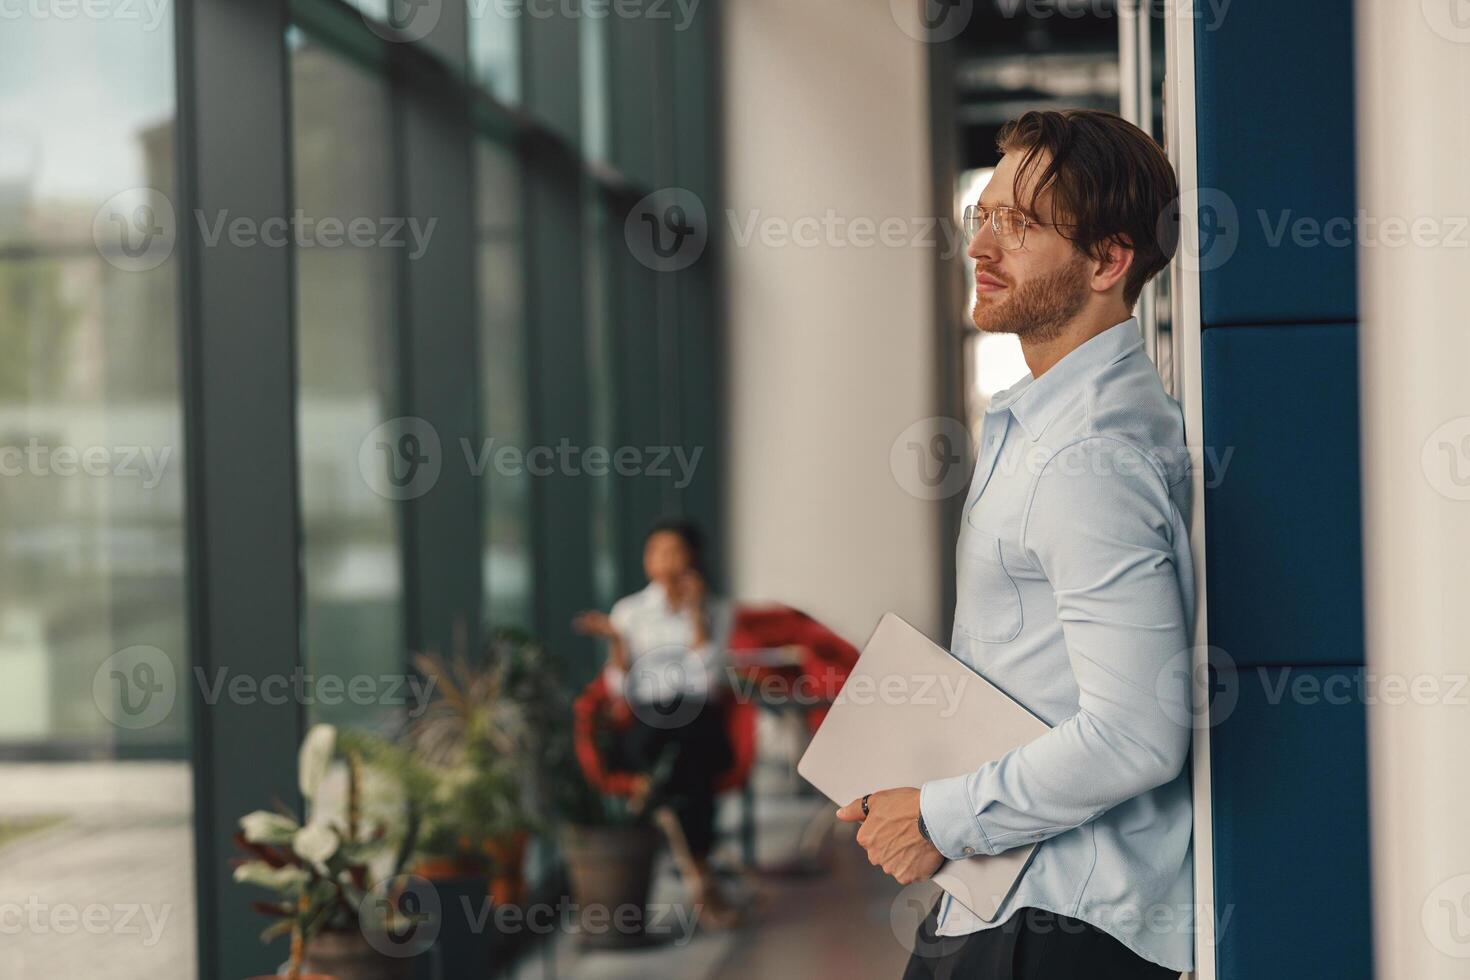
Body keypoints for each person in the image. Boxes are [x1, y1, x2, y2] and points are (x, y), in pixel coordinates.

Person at [836, 109, 1194, 979]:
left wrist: (939, 816)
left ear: (1109, 261)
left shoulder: (1086, 458)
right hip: (1011, 897)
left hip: (1056, 921)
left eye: (1022, 225)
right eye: (983, 216)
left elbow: (1139, 732)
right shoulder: (1049, 422)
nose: (983, 246)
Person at [572, 518, 740, 925]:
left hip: (695, 719)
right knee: (688, 766)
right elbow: (618, 687)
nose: (663, 560)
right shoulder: (629, 612)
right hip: (651, 723)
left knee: (687, 748)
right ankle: (701, 876)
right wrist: (615, 642)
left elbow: (708, 679)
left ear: (692, 558)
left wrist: (697, 615)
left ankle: (670, 824)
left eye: (673, 551)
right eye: (655, 552)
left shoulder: (717, 609)